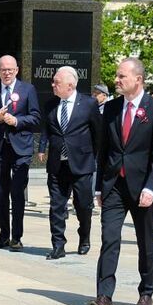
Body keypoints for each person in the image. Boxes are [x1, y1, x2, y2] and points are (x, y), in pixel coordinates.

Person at [90, 58, 153, 305]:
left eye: (122, 76)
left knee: (146, 241)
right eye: (117, 75)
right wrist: (100, 187)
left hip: (143, 187)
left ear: (138, 79)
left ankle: (146, 292)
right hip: (114, 185)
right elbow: (103, 150)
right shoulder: (111, 108)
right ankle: (104, 296)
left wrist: (151, 186)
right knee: (109, 238)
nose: (117, 79)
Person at [36, 66, 102, 259]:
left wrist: (93, 158)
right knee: (57, 206)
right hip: (57, 165)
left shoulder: (89, 104)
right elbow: (47, 130)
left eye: (57, 82)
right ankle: (58, 245)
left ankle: (84, 237)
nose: (53, 85)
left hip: (81, 165)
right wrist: (43, 148)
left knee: (83, 205)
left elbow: (98, 134)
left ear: (70, 85)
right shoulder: (50, 105)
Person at [0, 55, 40, 250]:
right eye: (3, 69)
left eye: (10, 69)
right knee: (1, 193)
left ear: (17, 70)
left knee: (17, 192)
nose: (6, 73)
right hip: (0, 148)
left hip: (21, 147)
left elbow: (35, 118)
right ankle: (4, 234)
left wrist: (17, 121)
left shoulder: (28, 90)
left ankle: (17, 236)